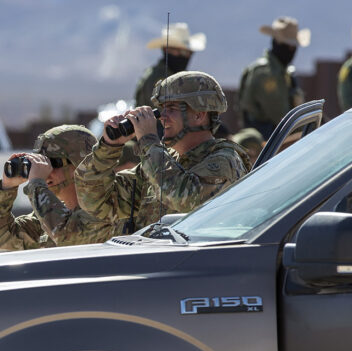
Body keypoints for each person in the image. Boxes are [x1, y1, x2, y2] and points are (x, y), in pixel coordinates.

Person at [76, 71, 250, 233]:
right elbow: (95, 202)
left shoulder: (226, 161)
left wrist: (148, 141)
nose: (161, 117)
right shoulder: (160, 161)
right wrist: (108, 148)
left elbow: (185, 199)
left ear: (199, 115)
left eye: (172, 109)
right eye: (161, 109)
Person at [0, 125, 118, 250]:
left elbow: (68, 237)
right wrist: (7, 188)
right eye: (41, 163)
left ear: (81, 165)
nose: (45, 171)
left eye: (52, 162)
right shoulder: (47, 216)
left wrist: (36, 184)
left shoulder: (106, 210)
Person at [239, 17, 310, 139]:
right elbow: (281, 117)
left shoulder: (284, 72)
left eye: (294, 47)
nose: (292, 51)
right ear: (276, 44)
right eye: (288, 46)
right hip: (268, 142)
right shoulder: (266, 73)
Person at [134, 22, 206, 107]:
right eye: (181, 51)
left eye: (189, 52)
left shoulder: (176, 77)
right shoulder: (157, 79)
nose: (185, 56)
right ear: (166, 49)